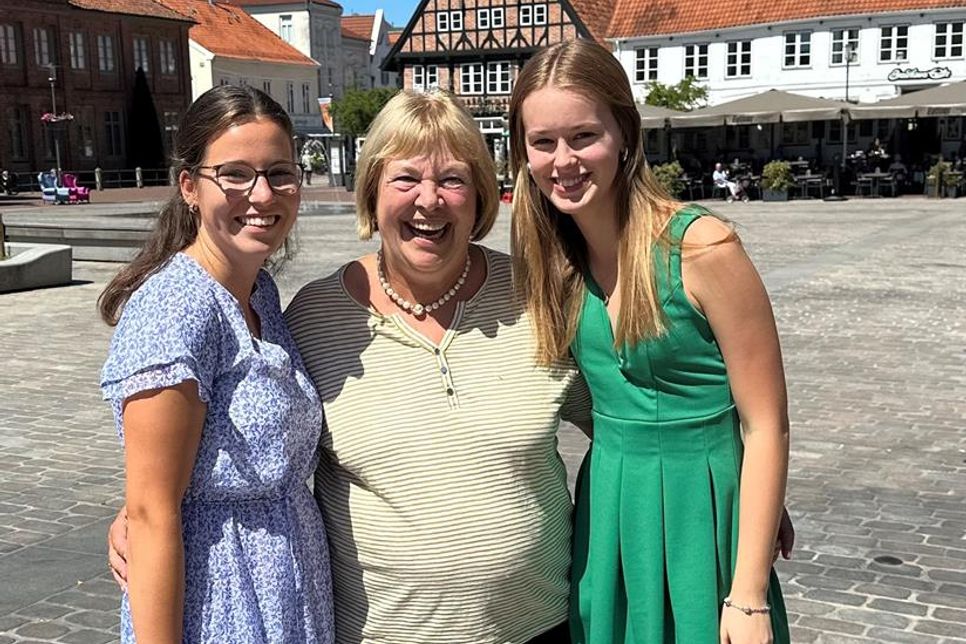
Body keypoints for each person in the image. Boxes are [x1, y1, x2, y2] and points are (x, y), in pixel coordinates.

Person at [108, 89, 795, 644]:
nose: (428, 201)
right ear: (372, 193)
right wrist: (146, 509)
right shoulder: (312, 315)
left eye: (453, 180)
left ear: (483, 197)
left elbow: (632, 413)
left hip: (541, 629)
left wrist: (740, 490)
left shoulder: (540, 295)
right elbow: (235, 446)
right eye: (405, 178)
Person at [510, 39, 790, 644]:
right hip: (610, 508)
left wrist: (747, 597)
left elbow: (766, 423)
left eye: (584, 136)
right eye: (543, 142)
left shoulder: (702, 247)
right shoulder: (554, 260)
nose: (563, 160)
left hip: (701, 509)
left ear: (625, 135)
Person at [98, 85, 334, 643]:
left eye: (279, 173)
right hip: (222, 600)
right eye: (234, 174)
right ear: (189, 187)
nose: (261, 194)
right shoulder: (176, 307)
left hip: (288, 591)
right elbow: (153, 515)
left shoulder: (261, 294)